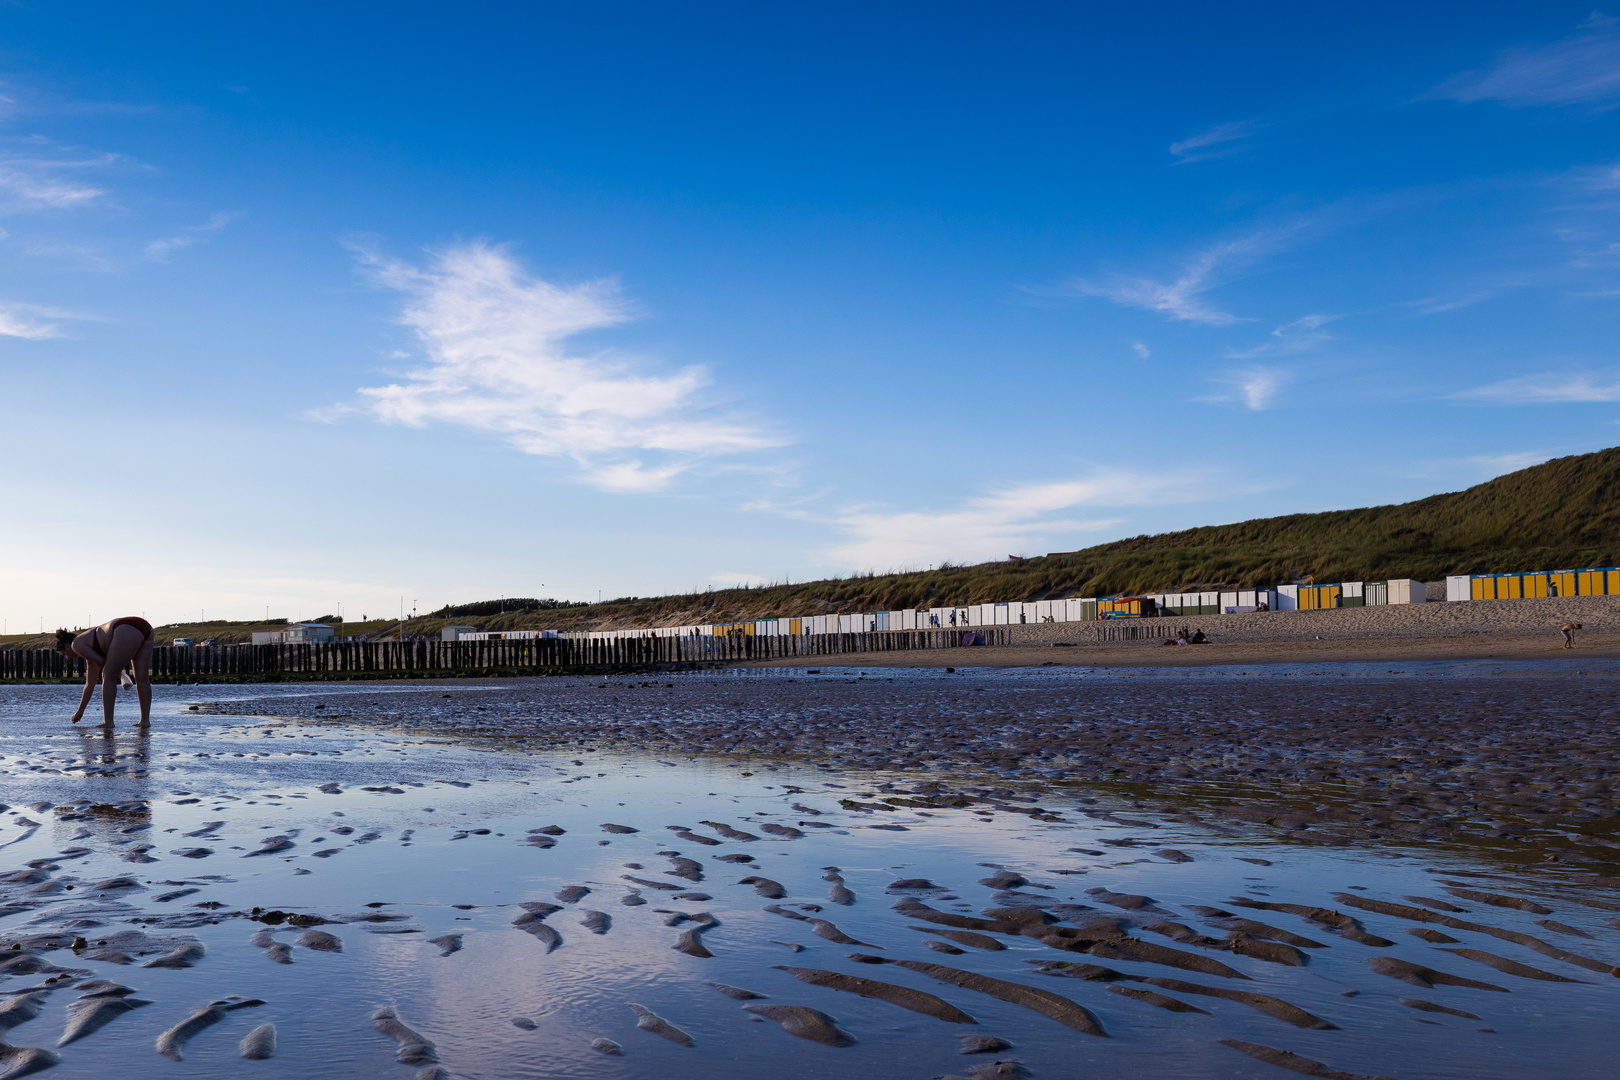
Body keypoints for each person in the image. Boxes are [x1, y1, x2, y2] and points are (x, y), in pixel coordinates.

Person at [57, 617, 155, 729]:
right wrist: (80, 711)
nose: (67, 658)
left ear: (67, 646)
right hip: (145, 628)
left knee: (108, 676)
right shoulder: (88, 646)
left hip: (124, 628)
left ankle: (108, 721)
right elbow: (90, 685)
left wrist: (118, 672)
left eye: (64, 654)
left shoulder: (76, 644)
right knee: (142, 678)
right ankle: (145, 721)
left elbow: (103, 664)